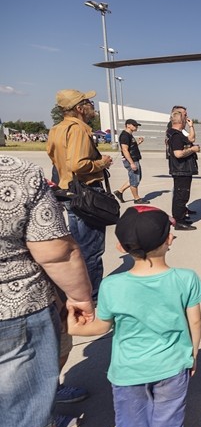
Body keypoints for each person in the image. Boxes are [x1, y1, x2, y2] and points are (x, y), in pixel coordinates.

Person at [68, 205, 201, 427]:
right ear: (168, 240)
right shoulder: (186, 279)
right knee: (168, 424)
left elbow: (102, 326)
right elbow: (195, 322)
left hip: (128, 371)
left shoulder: (112, 285)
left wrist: (73, 328)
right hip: (172, 366)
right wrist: (192, 355)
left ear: (120, 247)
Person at [0, 154, 95, 427]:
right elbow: (57, 252)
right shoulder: (16, 173)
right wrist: (80, 299)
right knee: (27, 416)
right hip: (14, 306)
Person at [47, 89, 112, 298]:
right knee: (91, 250)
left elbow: (55, 159)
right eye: (88, 102)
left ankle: (76, 290)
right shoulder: (79, 129)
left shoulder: (57, 129)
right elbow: (78, 163)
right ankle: (91, 295)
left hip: (69, 191)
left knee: (79, 247)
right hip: (86, 192)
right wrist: (102, 163)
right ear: (79, 108)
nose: (92, 106)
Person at [166, 106, 201, 231]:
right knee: (180, 195)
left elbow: (190, 139)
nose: (187, 118)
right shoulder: (175, 135)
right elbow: (178, 153)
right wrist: (192, 149)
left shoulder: (179, 134)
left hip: (183, 169)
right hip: (181, 169)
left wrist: (191, 126)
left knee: (182, 195)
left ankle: (180, 217)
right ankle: (179, 222)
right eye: (185, 116)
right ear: (180, 121)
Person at [114, 118, 149, 204]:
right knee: (135, 179)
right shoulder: (125, 136)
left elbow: (130, 147)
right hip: (131, 160)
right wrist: (132, 163)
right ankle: (136, 199)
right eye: (134, 125)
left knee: (136, 178)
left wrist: (139, 142)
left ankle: (120, 191)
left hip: (134, 159)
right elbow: (125, 150)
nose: (136, 127)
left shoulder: (129, 135)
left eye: (136, 125)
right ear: (128, 125)